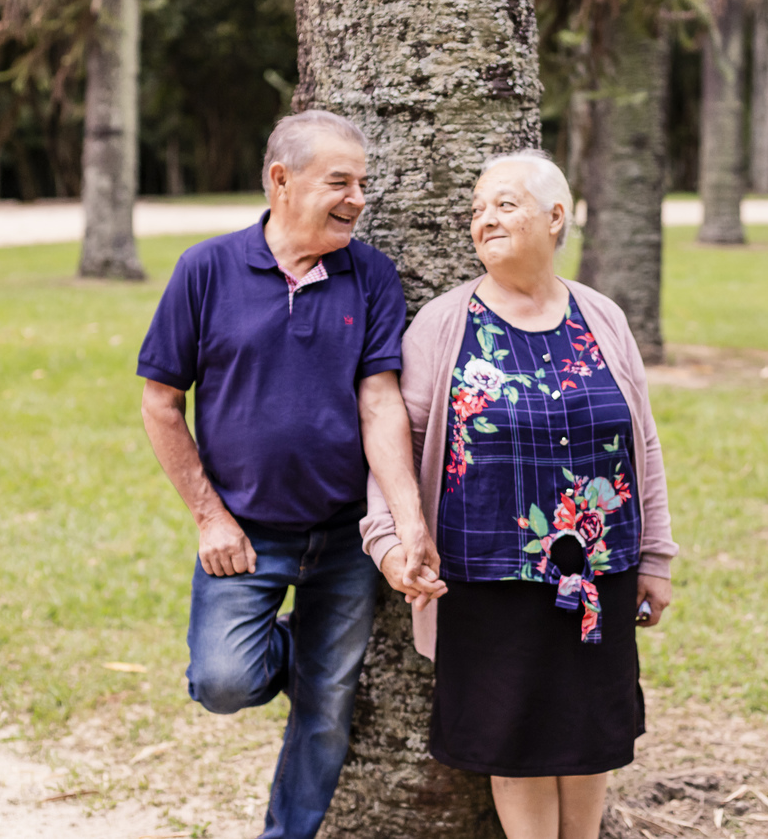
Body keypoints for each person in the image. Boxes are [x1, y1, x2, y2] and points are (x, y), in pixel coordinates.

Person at [137, 110, 444, 839]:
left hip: (344, 538)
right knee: (223, 682)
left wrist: (407, 522)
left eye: (362, 183)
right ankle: (290, 646)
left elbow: (380, 402)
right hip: (244, 534)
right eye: (340, 182)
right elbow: (160, 403)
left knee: (326, 708)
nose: (358, 199)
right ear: (281, 180)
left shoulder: (369, 275)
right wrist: (210, 517)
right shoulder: (206, 270)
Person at [361, 150, 678, 839]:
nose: (485, 220)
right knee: (515, 746)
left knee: (590, 736)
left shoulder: (602, 316)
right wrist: (388, 540)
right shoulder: (444, 323)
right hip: (487, 579)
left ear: (555, 217)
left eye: (504, 204)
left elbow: (642, 442)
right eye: (477, 210)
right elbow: (395, 444)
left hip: (599, 574)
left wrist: (655, 557)